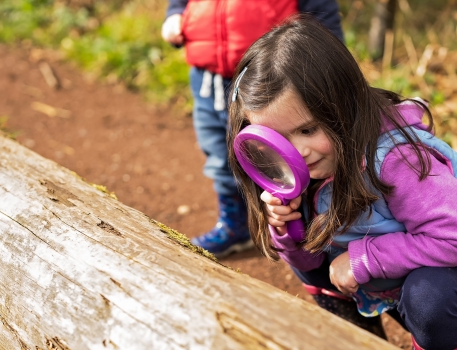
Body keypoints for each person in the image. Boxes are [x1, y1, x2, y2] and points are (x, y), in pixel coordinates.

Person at [227, 16, 457, 349]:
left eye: (308, 130)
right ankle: (357, 340)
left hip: (438, 280)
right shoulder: (307, 167)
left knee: (430, 296)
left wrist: (365, 258)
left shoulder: (397, 158)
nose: (297, 152)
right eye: (276, 139)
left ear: (345, 104)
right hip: (381, 284)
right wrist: (286, 230)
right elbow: (311, 261)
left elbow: (452, 236)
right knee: (309, 250)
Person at [161, 0, 344, 258]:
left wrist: (329, 64)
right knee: (218, 150)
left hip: (273, 82)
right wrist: (175, 14)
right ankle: (236, 223)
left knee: (289, 153)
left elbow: (321, 11)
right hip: (207, 77)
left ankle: (316, 226)